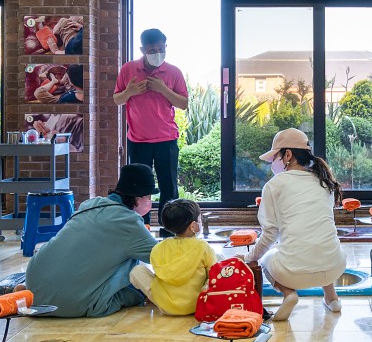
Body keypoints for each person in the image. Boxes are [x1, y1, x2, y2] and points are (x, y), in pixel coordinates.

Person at [24, 164, 159, 317]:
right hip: (67, 303)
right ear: (139, 196)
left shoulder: (89, 205)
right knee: (135, 282)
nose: (149, 201)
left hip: (33, 288)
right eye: (148, 197)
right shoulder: (128, 221)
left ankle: (33, 293)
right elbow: (162, 256)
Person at [243, 128, 347, 321]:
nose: (272, 164)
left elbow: (270, 234)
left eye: (275, 157)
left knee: (266, 258)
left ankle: (288, 294)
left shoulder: (275, 185)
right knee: (320, 241)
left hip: (293, 275)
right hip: (335, 266)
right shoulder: (323, 181)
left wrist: (249, 257)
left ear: (288, 155)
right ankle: (332, 298)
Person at [113, 28, 189, 231]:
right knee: (138, 188)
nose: (157, 53)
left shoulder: (173, 72)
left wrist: (163, 89)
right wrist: (129, 91)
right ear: (142, 49)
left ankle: (171, 229)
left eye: (161, 48)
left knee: (169, 186)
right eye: (152, 49)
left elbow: (183, 103)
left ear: (165, 47)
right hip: (138, 140)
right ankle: (141, 227)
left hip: (166, 139)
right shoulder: (128, 69)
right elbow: (117, 99)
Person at [129, 199, 218, 315]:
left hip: (166, 306)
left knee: (137, 270)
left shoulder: (159, 248)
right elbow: (215, 273)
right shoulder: (202, 246)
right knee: (217, 263)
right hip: (196, 304)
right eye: (200, 220)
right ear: (193, 226)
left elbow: (159, 275)